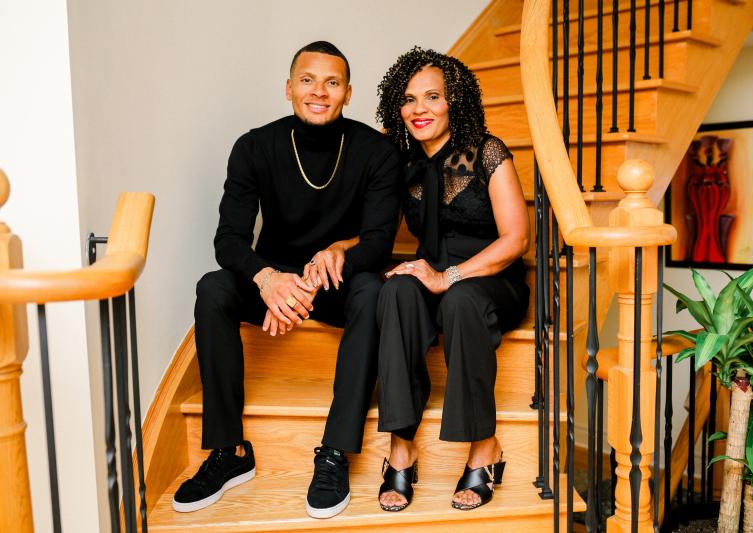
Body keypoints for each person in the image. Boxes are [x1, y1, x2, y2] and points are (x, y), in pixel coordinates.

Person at [171, 41, 402, 519]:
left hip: (337, 281)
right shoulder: (255, 146)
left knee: (374, 289)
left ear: (348, 93)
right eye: (308, 80)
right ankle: (228, 451)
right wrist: (267, 278)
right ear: (289, 88)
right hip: (275, 282)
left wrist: (321, 272)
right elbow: (228, 239)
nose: (319, 91)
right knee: (213, 287)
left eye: (332, 83)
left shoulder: (376, 151)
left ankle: (336, 451)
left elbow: (379, 242)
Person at [373, 47, 530, 512]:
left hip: (489, 276)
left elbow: (516, 239)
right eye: (408, 99)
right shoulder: (401, 165)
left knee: (460, 300)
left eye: (432, 97)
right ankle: (401, 448)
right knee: (397, 290)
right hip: (435, 273)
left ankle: (484, 447)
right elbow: (369, 225)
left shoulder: (488, 152)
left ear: (454, 102)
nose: (419, 109)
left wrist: (450, 276)